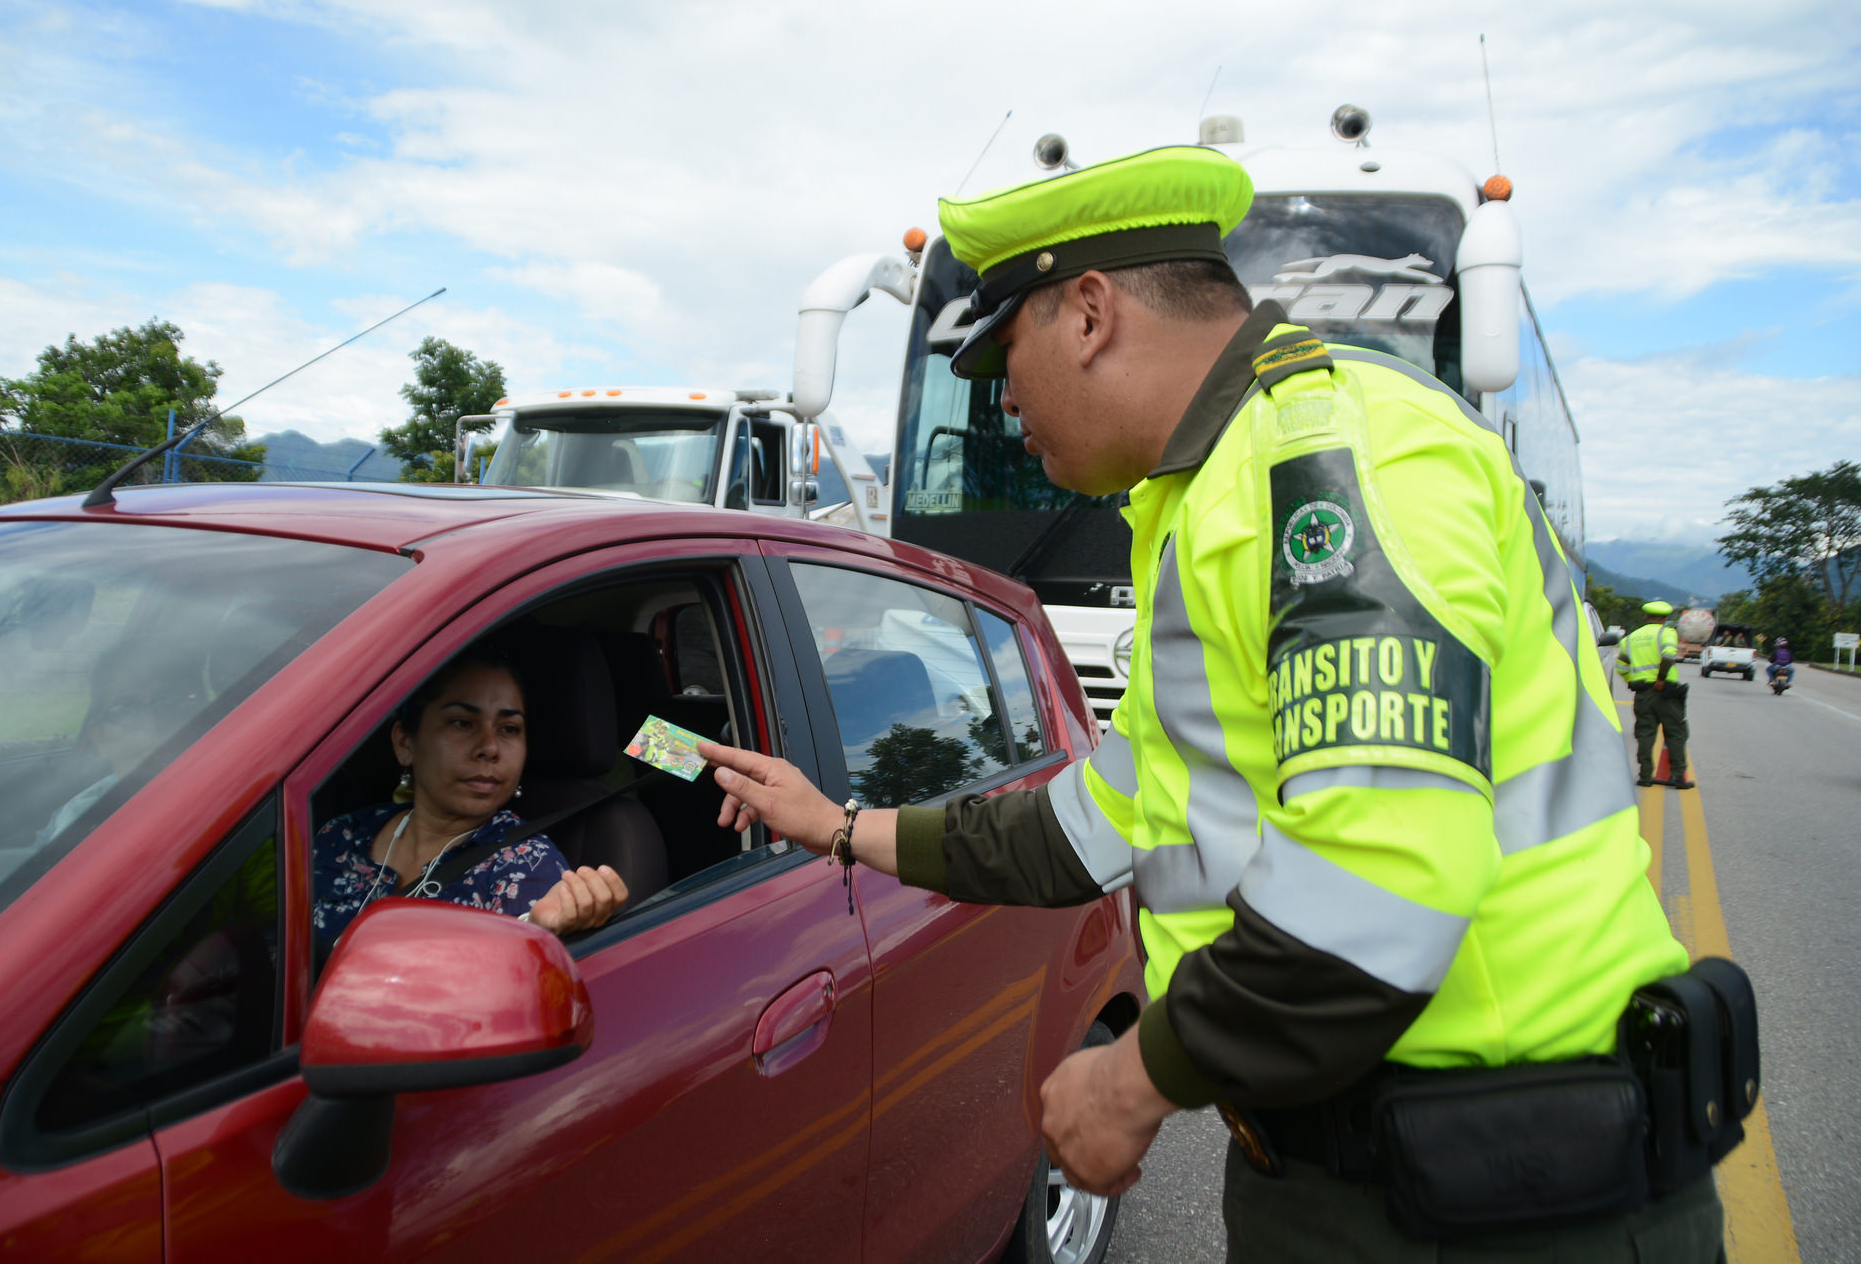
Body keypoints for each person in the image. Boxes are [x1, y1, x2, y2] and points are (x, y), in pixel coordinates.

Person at [701, 145, 1722, 1259]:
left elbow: (1372, 891)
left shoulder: (1332, 469)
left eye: (1001, 356)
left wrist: (1132, 1078)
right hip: (1393, 1166)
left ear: (1086, 313)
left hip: (1502, 1189)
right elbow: (1089, 819)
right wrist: (841, 826)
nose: (998, 398)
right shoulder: (1212, 490)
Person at [312, 638, 628, 954]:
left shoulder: (524, 866)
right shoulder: (341, 835)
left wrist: (535, 927)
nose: (489, 747)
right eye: (462, 723)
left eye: (508, 728)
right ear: (405, 743)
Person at [1617, 599, 1693, 789]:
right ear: (1666, 618)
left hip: (1642, 692)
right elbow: (1668, 656)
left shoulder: (1630, 638)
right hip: (1666, 691)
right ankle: (1677, 776)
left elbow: (1621, 667)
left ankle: (1644, 776)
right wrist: (1660, 678)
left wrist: (1631, 681)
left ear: (1645, 617)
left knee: (1644, 733)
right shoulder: (1667, 633)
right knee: (1675, 733)